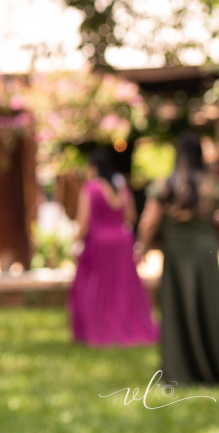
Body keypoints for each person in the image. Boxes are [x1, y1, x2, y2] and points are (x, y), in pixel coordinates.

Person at [137, 132, 219, 386]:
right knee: (210, 304)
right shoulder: (213, 183)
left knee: (178, 306)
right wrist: (216, 219)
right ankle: (216, 367)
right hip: (205, 252)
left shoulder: (166, 184)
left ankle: (179, 371)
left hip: (177, 253)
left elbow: (149, 221)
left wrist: (142, 246)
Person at [67, 148, 158, 347]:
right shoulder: (121, 188)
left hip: (99, 243)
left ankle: (101, 329)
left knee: (97, 288)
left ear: (93, 167)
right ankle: (126, 326)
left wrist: (74, 241)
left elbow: (83, 223)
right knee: (122, 288)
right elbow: (131, 217)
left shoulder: (91, 188)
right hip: (122, 241)